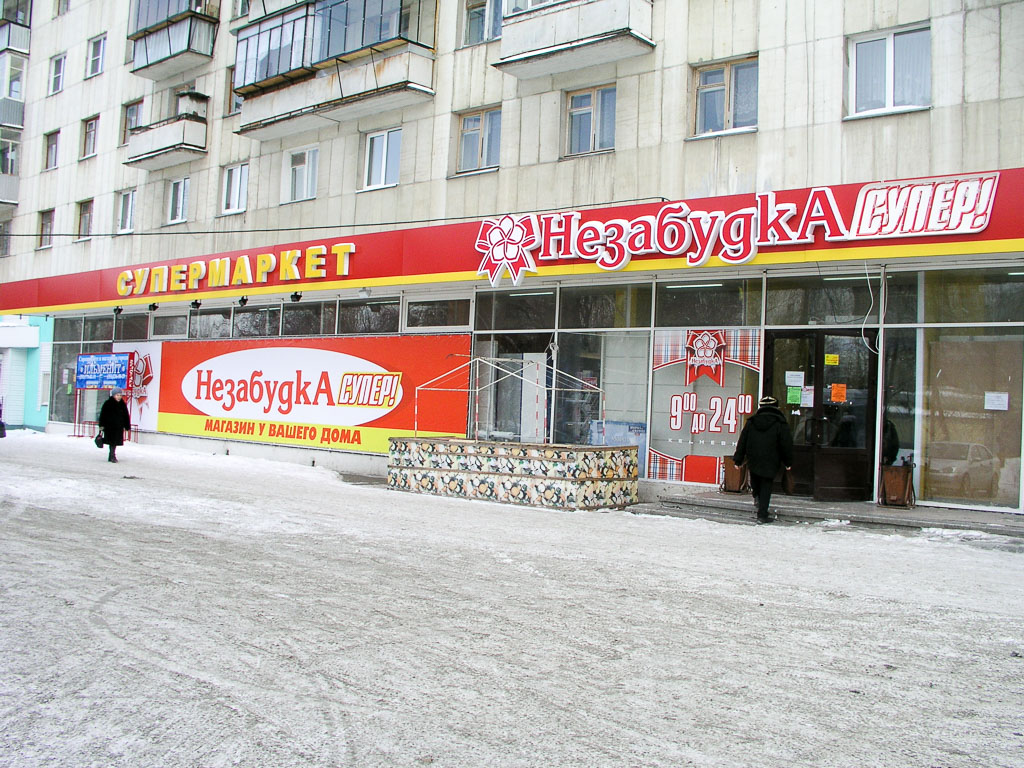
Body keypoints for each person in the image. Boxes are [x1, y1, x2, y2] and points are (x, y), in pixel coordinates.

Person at [733, 395, 794, 524]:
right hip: (771, 459)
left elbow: (742, 441)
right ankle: (762, 514)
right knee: (766, 485)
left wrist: (738, 459)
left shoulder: (751, 422)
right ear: (776, 407)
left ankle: (757, 496)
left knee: (755, 480)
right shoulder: (780, 423)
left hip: (753, 458)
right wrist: (788, 462)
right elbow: (786, 444)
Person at [98, 387, 131, 463]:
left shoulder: (122, 404)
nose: (119, 397)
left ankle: (111, 455)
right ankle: (112, 455)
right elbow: (103, 415)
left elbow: (126, 415)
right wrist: (101, 425)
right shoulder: (108, 403)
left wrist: (127, 426)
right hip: (109, 427)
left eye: (120, 395)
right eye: (117, 395)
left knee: (115, 442)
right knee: (112, 441)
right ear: (113, 395)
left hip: (118, 427)